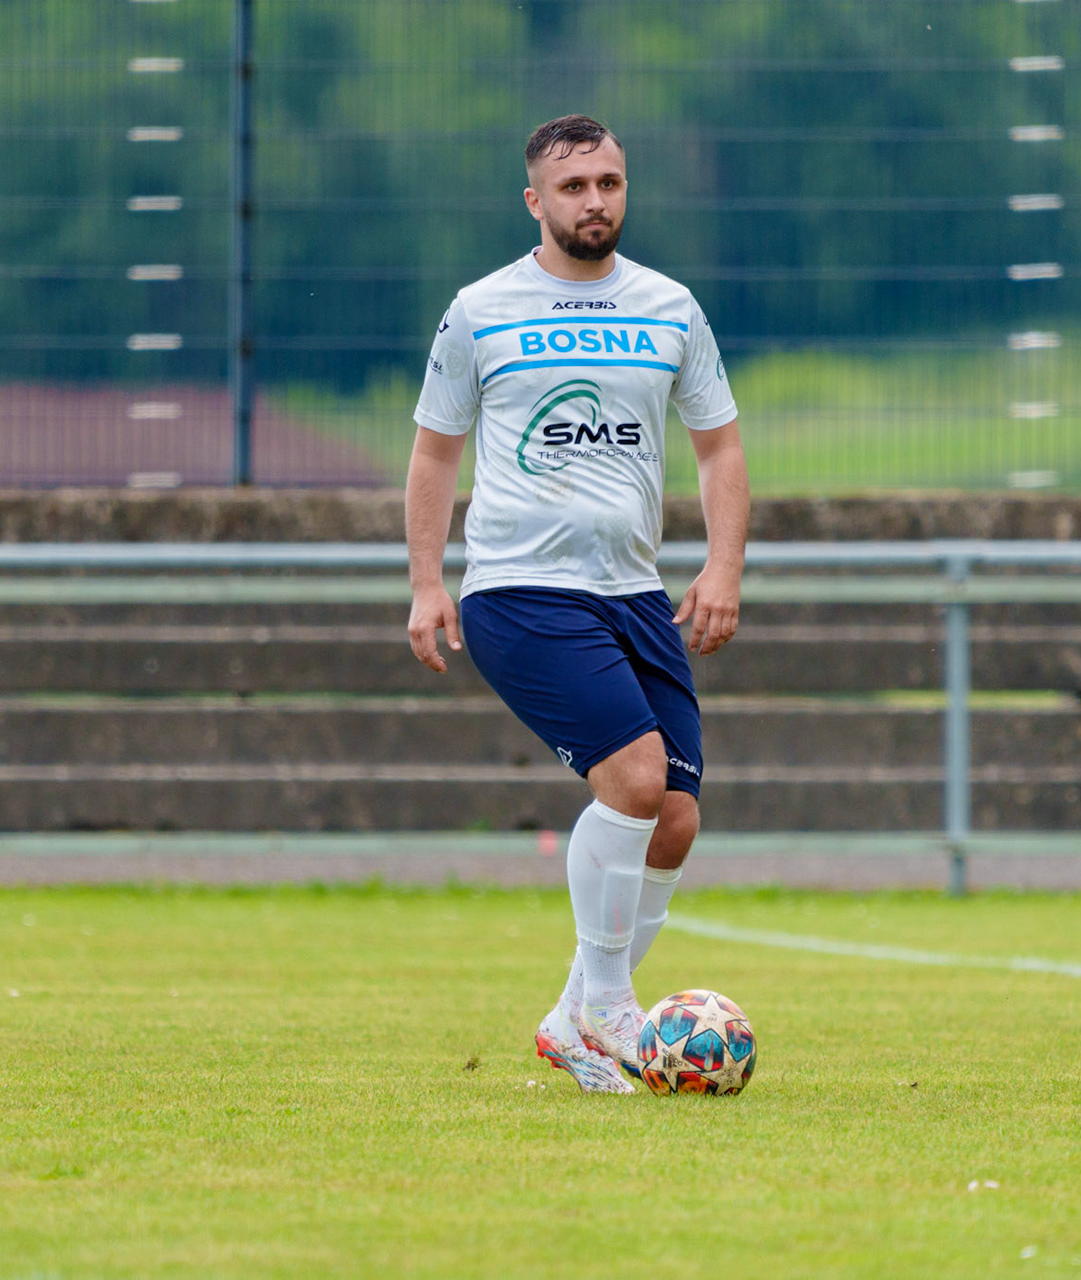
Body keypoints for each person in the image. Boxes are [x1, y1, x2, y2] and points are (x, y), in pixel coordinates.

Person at [405, 114, 750, 1095]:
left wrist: (723, 567)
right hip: (521, 588)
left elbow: (719, 447)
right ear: (536, 201)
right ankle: (608, 1002)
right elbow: (435, 451)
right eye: (573, 186)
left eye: (608, 182)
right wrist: (429, 580)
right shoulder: (481, 309)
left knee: (675, 816)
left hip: (635, 592)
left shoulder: (670, 306)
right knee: (636, 779)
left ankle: (574, 1013)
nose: (594, 200)